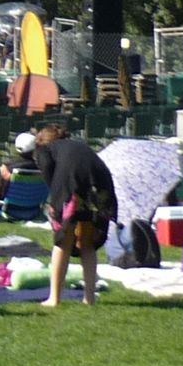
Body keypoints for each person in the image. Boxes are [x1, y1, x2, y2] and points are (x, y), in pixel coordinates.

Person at [29, 118, 116, 310]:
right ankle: (89, 298)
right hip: (99, 184)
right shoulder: (77, 145)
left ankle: (54, 298)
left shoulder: (45, 149)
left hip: (72, 186)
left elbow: (49, 173)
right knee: (87, 243)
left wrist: (55, 201)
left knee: (63, 241)